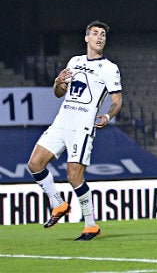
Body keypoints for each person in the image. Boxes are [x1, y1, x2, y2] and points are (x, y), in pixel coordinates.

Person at [26, 20, 122, 241]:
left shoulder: (109, 68)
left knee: (73, 176)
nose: (100, 37)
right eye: (95, 33)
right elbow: (59, 92)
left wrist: (108, 115)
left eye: (103, 35)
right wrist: (58, 82)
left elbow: (117, 101)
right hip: (61, 122)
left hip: (82, 128)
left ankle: (91, 225)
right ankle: (58, 204)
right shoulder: (74, 61)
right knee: (34, 164)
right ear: (86, 37)